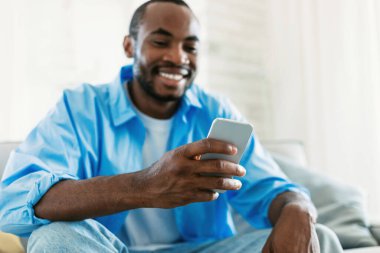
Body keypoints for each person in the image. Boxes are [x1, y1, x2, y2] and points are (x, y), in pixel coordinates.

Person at [0, 0, 343, 252]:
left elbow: (272, 190)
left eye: (189, 47)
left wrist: (299, 207)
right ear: (129, 46)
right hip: (107, 249)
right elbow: (14, 201)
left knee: (321, 238)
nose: (178, 57)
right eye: (161, 42)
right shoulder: (80, 108)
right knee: (54, 239)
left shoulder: (215, 111)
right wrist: (145, 185)